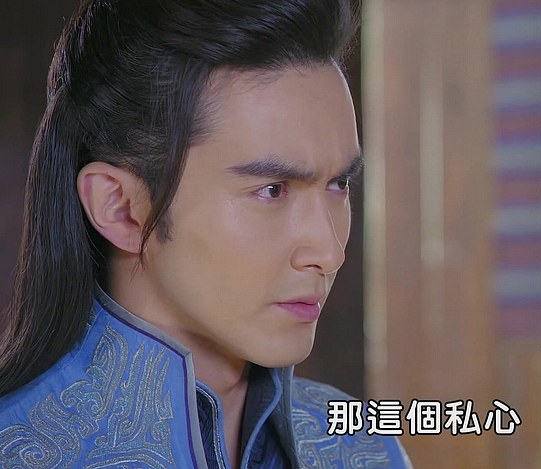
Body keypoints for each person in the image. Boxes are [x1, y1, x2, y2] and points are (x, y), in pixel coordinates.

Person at [0, 0, 410, 467]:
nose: (329, 252)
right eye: (272, 190)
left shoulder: (363, 448)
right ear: (120, 208)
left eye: (338, 184)